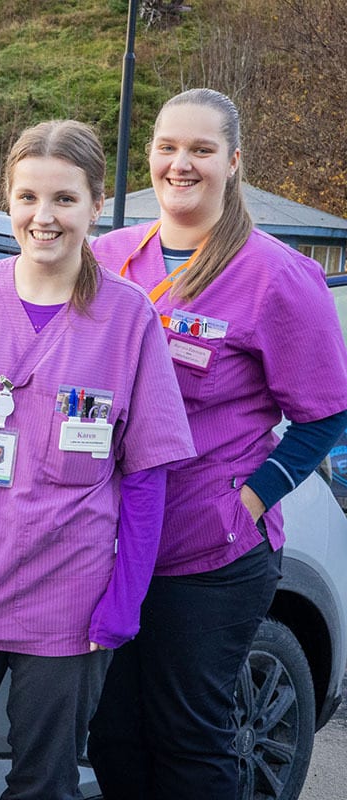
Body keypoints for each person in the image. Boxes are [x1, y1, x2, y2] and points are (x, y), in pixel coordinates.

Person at [0, 120, 196, 800]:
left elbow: (146, 477)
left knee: (44, 782)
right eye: (27, 198)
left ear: (92, 209)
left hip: (71, 598)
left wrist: (123, 602)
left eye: (63, 200)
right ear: (8, 201)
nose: (43, 217)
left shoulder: (128, 318)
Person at [86, 88, 347, 800]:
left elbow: (327, 413)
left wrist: (252, 499)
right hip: (110, 544)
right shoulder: (104, 256)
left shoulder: (277, 276)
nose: (181, 164)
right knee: (111, 733)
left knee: (189, 736)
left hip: (208, 548)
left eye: (201, 150)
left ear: (233, 161)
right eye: (168, 147)